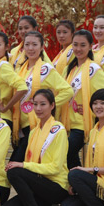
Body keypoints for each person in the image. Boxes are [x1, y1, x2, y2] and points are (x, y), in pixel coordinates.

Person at [2, 90, 69, 206]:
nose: (38, 108)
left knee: (15, 172)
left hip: (56, 186)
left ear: (52, 105)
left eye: (43, 104)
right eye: (35, 104)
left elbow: (55, 168)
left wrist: (23, 165)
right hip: (39, 183)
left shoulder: (59, 130)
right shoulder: (34, 132)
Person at [60, 30, 104, 168]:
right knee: (69, 158)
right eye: (75, 45)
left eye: (83, 45)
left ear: (90, 46)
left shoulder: (93, 69)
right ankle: (76, 180)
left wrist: (91, 110)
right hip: (66, 123)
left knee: (67, 153)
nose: (78, 49)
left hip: (81, 124)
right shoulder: (69, 69)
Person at [11, 31, 73, 162]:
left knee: (16, 162)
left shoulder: (46, 69)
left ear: (41, 47)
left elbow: (68, 91)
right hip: (19, 124)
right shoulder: (20, 70)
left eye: (34, 44)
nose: (30, 48)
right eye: (27, 44)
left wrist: (46, 106)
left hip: (35, 123)